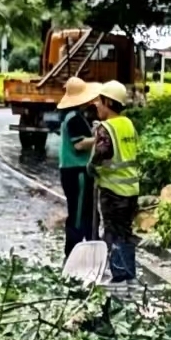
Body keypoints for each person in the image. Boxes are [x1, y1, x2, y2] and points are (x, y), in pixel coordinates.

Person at [83, 80, 139, 283]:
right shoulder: (128, 124)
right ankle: (128, 271)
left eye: (99, 101)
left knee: (113, 233)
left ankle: (120, 274)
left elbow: (102, 153)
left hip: (113, 190)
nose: (96, 105)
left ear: (108, 102)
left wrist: (91, 167)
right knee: (125, 232)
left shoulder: (106, 128)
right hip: (131, 189)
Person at [55, 78, 100, 258]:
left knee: (87, 211)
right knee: (79, 213)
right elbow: (79, 144)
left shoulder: (73, 116)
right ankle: (73, 252)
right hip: (77, 172)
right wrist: (100, 139)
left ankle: (88, 248)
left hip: (74, 171)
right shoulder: (74, 118)